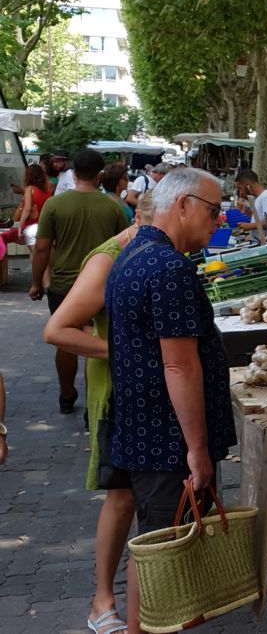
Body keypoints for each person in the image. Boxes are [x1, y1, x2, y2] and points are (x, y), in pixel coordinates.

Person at [105, 168, 237, 634]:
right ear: (183, 205)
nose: (218, 221)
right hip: (166, 442)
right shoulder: (169, 268)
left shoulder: (133, 254)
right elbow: (179, 365)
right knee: (166, 556)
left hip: (144, 431)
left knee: (154, 549)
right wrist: (197, 450)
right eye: (214, 210)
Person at [44, 192, 156, 634]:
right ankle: (102, 602)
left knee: (143, 497)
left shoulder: (146, 252)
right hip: (116, 398)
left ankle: (148, 599)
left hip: (145, 394)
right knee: (122, 496)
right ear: (142, 219)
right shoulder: (108, 259)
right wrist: (125, 351)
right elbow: (57, 330)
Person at [29, 148, 129, 414]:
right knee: (97, 339)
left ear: (73, 174)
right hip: (103, 286)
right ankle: (95, 405)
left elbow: (42, 248)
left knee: (66, 340)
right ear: (99, 175)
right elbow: (125, 247)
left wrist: (36, 283)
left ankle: (66, 395)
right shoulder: (112, 206)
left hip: (64, 285)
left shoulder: (54, 204)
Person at [0, 164, 51, 252]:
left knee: (3, 237)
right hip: (45, 226)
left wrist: (20, 226)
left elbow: (27, 209)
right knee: (43, 257)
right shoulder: (47, 190)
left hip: (31, 226)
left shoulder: (29, 189)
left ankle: (3, 260)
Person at [235, 169, 267, 247]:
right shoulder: (258, 198)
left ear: (248, 185)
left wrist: (250, 226)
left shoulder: (266, 197)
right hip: (261, 243)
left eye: (240, 188)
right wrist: (246, 211)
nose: (240, 193)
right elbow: (260, 217)